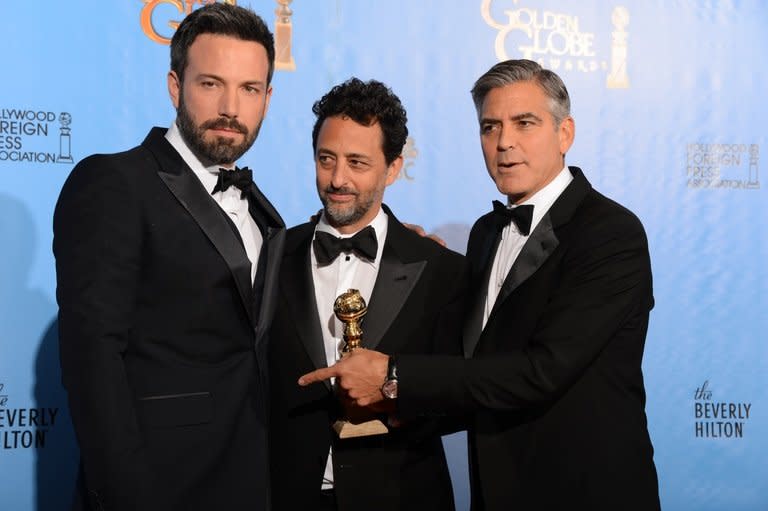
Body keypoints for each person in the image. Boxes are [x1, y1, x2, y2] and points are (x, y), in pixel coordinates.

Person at [299, 59, 661, 510]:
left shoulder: (611, 233)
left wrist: (394, 378)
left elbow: (541, 371)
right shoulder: (487, 232)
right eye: (490, 127)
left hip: (582, 491)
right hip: (495, 490)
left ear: (564, 133)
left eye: (524, 123)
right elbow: (469, 362)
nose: (505, 142)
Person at [53, 4, 284, 510]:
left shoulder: (263, 209)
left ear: (267, 97)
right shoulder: (115, 184)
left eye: (249, 89)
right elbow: (92, 360)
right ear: (176, 87)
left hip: (252, 479)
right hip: (160, 484)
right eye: (210, 84)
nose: (231, 106)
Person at [269, 78, 465, 511]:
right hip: (287, 494)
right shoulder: (270, 254)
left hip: (402, 495)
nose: (337, 179)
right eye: (326, 159)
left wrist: (394, 388)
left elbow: (464, 394)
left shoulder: (440, 269)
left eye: (358, 163)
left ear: (393, 168)